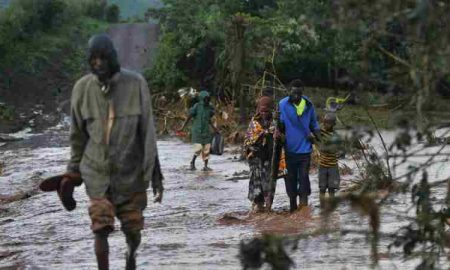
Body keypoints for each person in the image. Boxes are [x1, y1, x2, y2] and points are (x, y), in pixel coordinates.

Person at [41, 34, 164, 270]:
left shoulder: (136, 84)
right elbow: (77, 136)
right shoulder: (82, 89)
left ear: (112, 59)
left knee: (133, 230)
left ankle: (131, 256)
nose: (98, 64)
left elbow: (148, 131)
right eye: (93, 59)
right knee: (100, 227)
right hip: (96, 174)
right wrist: (72, 171)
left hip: (131, 174)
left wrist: (155, 173)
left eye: (103, 58)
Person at [278, 79, 320, 212]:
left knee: (303, 178)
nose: (296, 96)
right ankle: (292, 208)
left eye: (298, 93)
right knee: (290, 179)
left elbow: (314, 124)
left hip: (305, 150)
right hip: (289, 149)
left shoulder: (308, 105)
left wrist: (318, 138)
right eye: (293, 93)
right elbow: (279, 125)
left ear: (302, 92)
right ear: (290, 91)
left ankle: (303, 209)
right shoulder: (282, 104)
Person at [244, 96, 286, 212]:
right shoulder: (254, 123)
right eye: (261, 110)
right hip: (256, 160)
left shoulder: (277, 123)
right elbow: (248, 141)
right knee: (256, 185)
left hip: (270, 159)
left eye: (266, 111)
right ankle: (257, 207)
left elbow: (284, 140)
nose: (263, 113)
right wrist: (263, 136)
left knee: (269, 184)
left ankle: (268, 207)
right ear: (258, 109)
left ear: (271, 110)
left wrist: (278, 136)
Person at [179, 90, 218, 171]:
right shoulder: (196, 106)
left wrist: (214, 129)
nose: (207, 100)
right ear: (201, 99)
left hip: (206, 131)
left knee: (207, 149)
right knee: (198, 148)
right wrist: (182, 127)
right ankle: (192, 163)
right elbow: (189, 117)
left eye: (208, 99)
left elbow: (209, 120)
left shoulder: (209, 108)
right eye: (205, 99)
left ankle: (205, 166)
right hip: (197, 131)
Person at [317, 113, 343, 206]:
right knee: (322, 188)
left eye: (329, 123)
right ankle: (322, 206)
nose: (326, 125)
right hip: (322, 164)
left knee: (332, 188)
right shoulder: (320, 132)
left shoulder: (336, 136)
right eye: (325, 123)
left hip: (332, 165)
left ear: (333, 124)